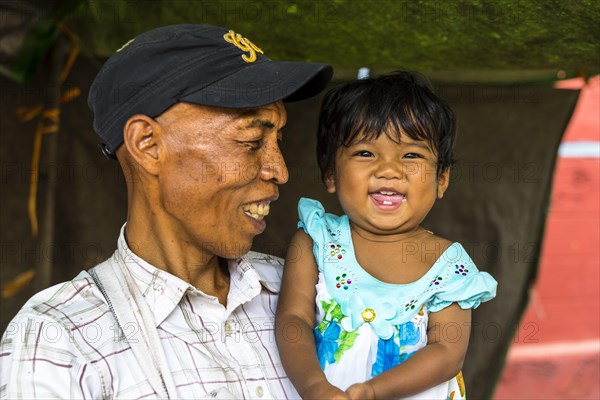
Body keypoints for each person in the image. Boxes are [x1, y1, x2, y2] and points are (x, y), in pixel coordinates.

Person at [0, 24, 332, 399]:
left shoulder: (311, 292)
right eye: (251, 141)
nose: (280, 171)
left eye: (278, 140)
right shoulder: (59, 340)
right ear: (148, 144)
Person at [275, 71, 497, 399]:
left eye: (411, 155)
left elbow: (448, 353)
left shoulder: (450, 267)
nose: (388, 169)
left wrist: (373, 391)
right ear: (331, 174)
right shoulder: (316, 242)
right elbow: (292, 320)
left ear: (442, 179)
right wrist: (313, 386)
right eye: (365, 152)